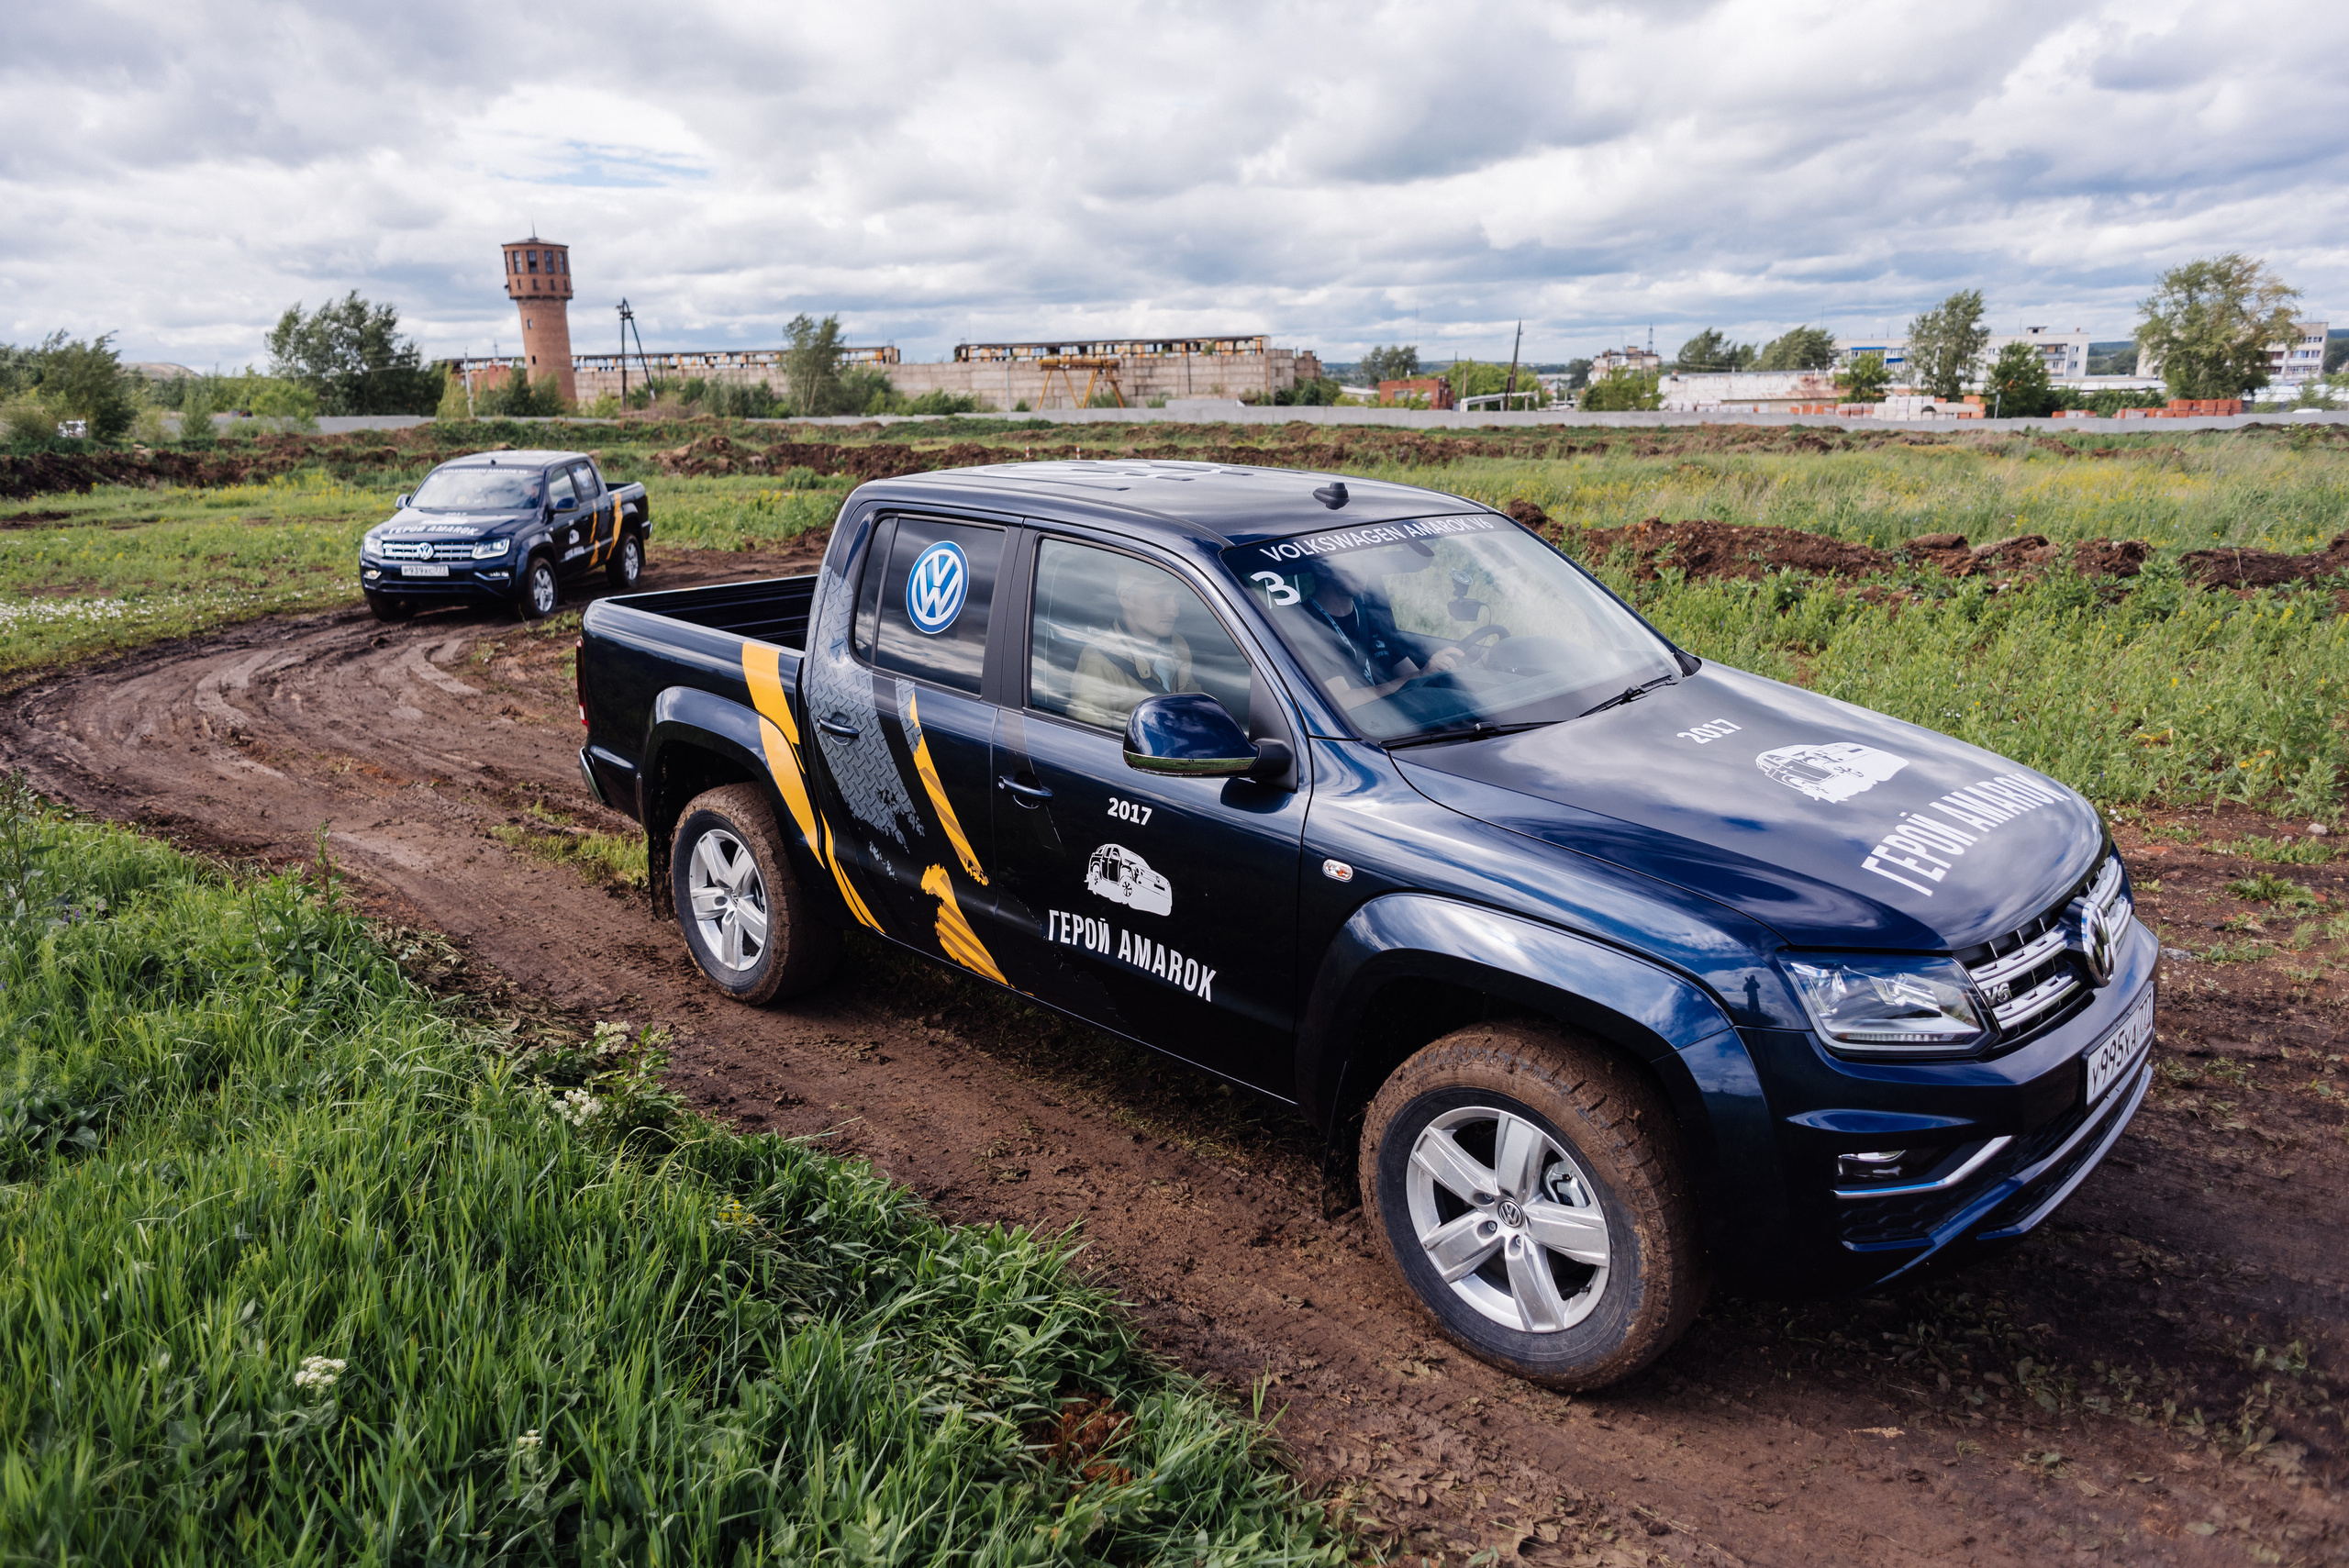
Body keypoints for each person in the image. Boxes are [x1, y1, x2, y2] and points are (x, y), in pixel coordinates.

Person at [1297, 556, 1467, 708]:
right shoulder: (1304, 625)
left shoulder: (1371, 616)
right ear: (1323, 568)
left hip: (1391, 722)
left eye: (1365, 564)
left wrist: (1431, 672)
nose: (1364, 570)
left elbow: (1409, 674)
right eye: (1353, 561)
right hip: (1357, 731)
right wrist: (1418, 675)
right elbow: (1342, 701)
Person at [1070, 564, 1205, 728]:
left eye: (1176, 599)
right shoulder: (1099, 662)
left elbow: (1196, 707)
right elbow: (1089, 744)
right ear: (1126, 599)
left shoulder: (1177, 644)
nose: (1174, 611)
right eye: (1161, 598)